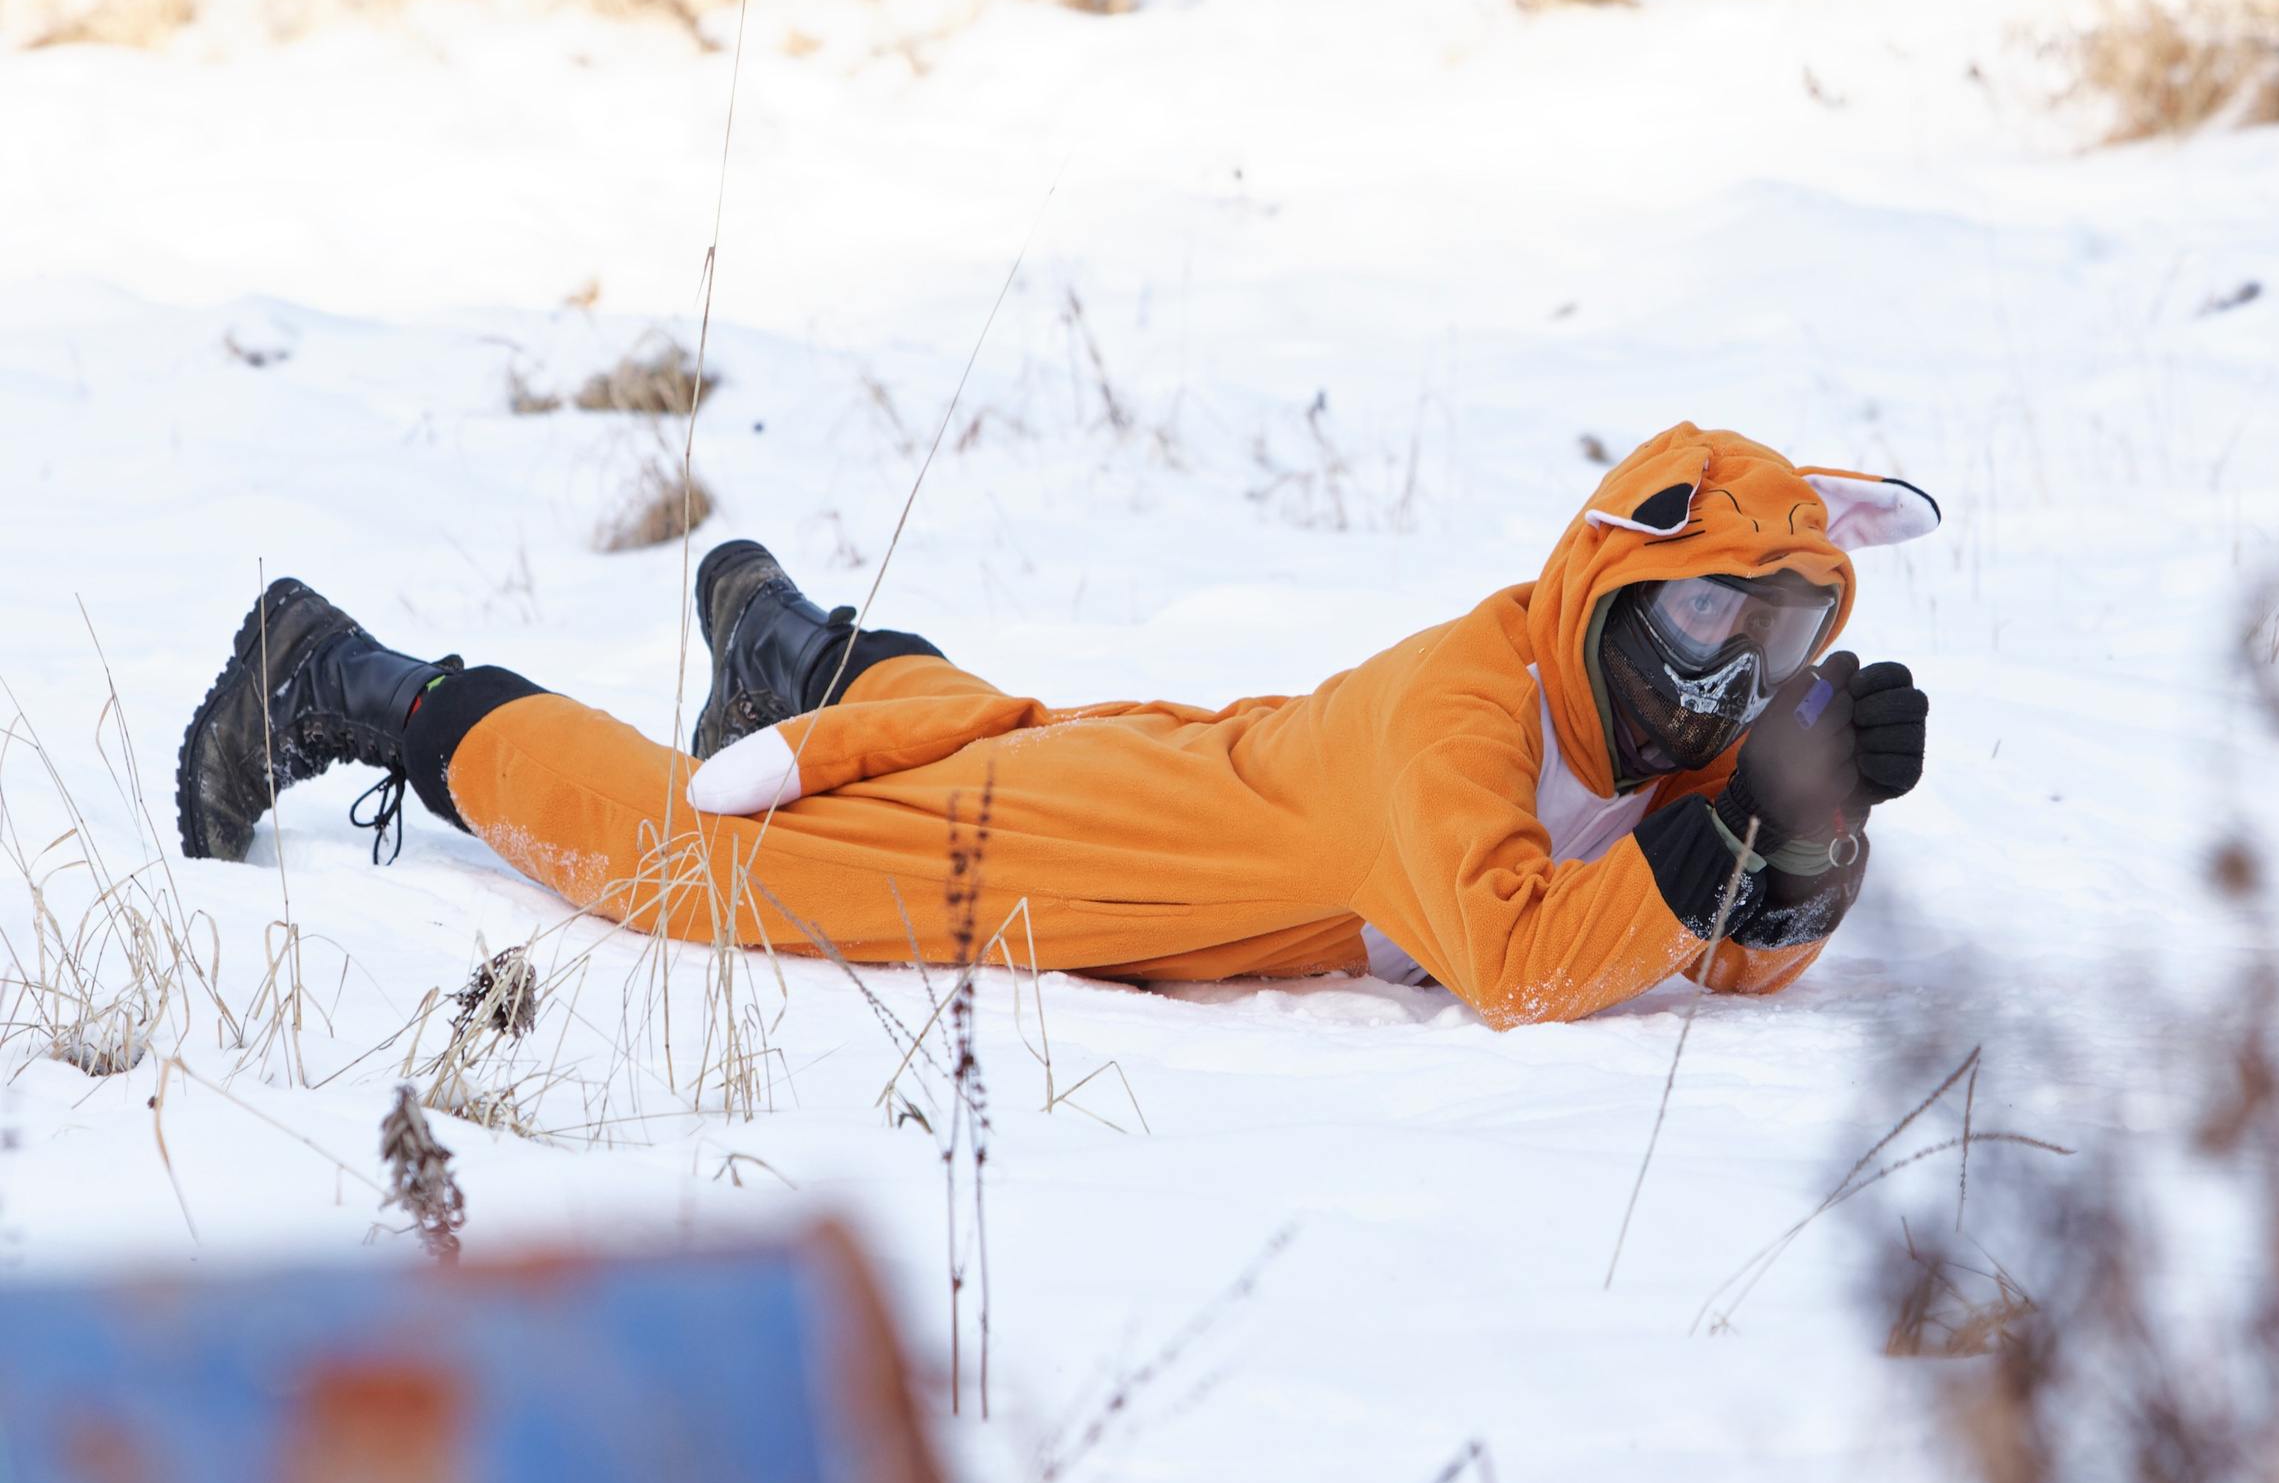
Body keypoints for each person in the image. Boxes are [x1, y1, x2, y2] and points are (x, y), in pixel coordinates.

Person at [175, 425, 1934, 1027]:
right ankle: (353, 682)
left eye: (1777, 634)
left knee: (984, 727)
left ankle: (796, 649)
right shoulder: (1463, 715)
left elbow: (1713, 955)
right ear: (1607, 583)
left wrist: (1807, 845)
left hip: (1155, 767)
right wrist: (1731, 841)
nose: (1730, 669)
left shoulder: (1668, 740)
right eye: (1704, 612)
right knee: (683, 868)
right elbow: (1526, 966)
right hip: (1068, 848)